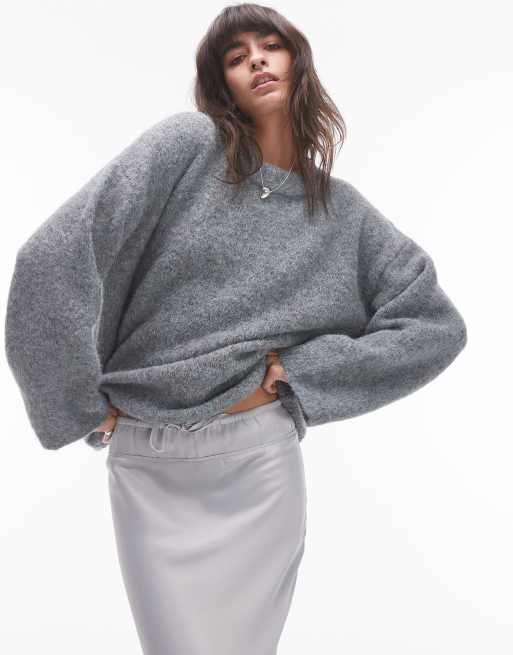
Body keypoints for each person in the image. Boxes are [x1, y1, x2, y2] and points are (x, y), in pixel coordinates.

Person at [4, 4, 467, 654]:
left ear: (297, 62)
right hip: (152, 469)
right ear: (220, 83)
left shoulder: (343, 215)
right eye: (235, 56)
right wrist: (76, 404)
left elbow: (433, 324)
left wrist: (306, 372)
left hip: (260, 467)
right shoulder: (186, 148)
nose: (256, 60)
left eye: (270, 45)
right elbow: (50, 259)